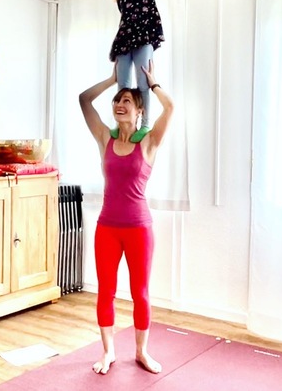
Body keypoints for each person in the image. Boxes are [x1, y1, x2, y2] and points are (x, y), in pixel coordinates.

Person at [79, 60, 174, 375]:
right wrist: (112, 80)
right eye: (117, 100)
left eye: (127, 101)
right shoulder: (105, 138)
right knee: (105, 291)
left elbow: (170, 107)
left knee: (140, 293)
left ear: (139, 111)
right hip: (107, 227)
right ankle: (108, 352)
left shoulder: (148, 142)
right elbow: (84, 100)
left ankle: (142, 352)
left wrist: (153, 84)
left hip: (138, 229)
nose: (120, 104)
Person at [108, 0, 165, 144]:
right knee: (122, 84)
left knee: (143, 83)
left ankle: (145, 123)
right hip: (125, 39)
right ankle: (121, 123)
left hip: (144, 37)